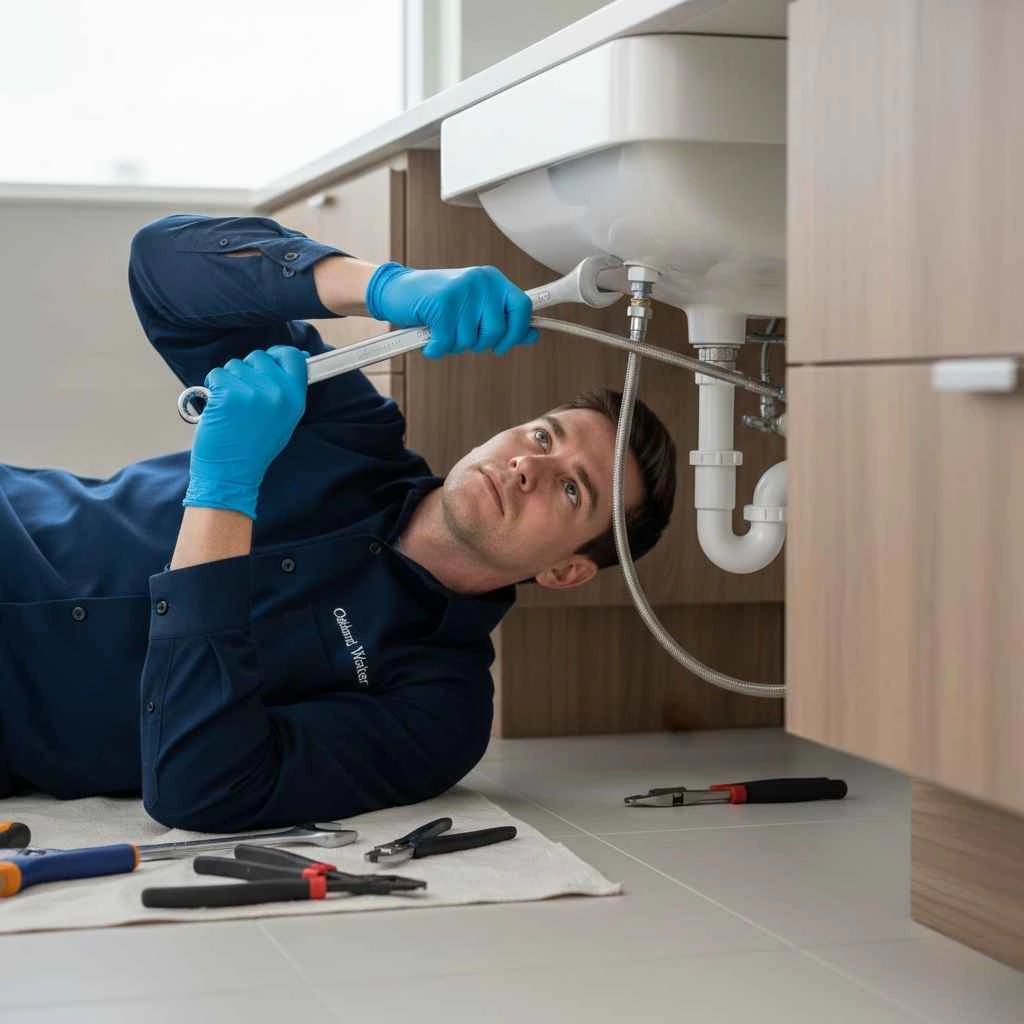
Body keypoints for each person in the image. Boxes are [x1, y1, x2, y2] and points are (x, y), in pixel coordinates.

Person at [0, 214, 677, 832]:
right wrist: (382, 286)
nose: (529, 467)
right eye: (540, 435)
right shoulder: (349, 433)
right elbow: (161, 267)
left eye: (569, 490)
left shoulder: (438, 711)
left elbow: (202, 788)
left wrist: (224, 492)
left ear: (565, 570)